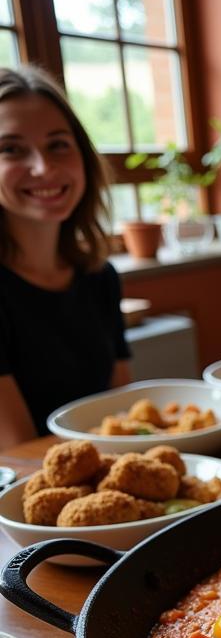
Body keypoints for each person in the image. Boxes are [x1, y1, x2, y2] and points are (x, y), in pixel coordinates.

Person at [0, 64, 129, 447]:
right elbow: (17, 452)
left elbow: (123, 417)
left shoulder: (100, 276)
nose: (43, 167)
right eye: (11, 149)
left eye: (58, 144)